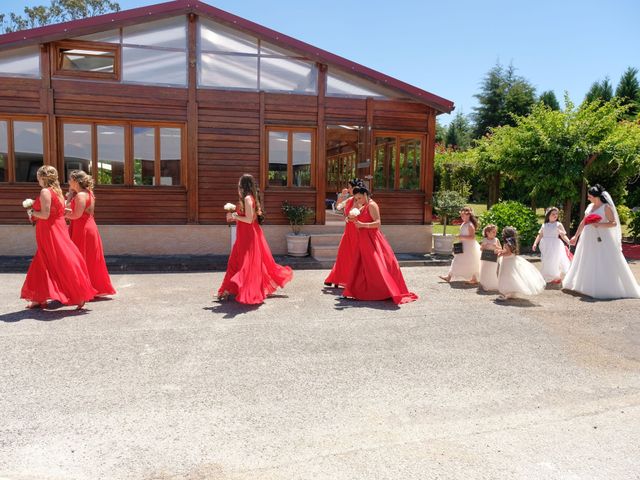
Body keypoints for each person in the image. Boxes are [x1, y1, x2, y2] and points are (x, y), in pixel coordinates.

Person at [20, 165, 96, 309]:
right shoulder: (58, 192)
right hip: (58, 228)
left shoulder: (45, 192)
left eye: (37, 175)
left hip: (49, 231)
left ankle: (78, 294)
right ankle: (38, 298)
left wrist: (31, 211)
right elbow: (59, 212)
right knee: (44, 261)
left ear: (42, 177)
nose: (36, 178)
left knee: (56, 261)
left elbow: (45, 214)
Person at [218, 174, 293, 304]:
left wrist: (235, 216)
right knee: (234, 263)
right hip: (243, 236)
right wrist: (233, 216)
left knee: (245, 265)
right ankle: (226, 290)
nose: (238, 187)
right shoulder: (248, 198)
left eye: (239, 184)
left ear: (243, 185)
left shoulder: (248, 199)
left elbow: (248, 219)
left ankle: (238, 291)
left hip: (248, 238)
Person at [342, 186, 417, 304]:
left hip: (372, 239)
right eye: (356, 199)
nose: (358, 201)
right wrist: (350, 218)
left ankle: (383, 291)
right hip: (363, 239)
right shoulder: (363, 205)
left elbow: (378, 223)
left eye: (360, 198)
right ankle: (354, 290)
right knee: (360, 264)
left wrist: (363, 225)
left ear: (366, 195)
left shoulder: (372, 205)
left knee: (375, 265)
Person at [562, 184, 640, 299]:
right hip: (587, 238)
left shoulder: (606, 207)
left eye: (590, 196)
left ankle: (604, 286)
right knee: (587, 259)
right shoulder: (589, 207)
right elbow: (583, 222)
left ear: (596, 196)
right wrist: (576, 236)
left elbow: (613, 223)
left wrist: (599, 224)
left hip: (602, 237)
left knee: (603, 259)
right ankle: (585, 285)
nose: (588, 198)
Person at [65, 170, 116, 297]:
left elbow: (76, 215)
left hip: (82, 229)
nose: (68, 182)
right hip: (88, 226)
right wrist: (70, 197)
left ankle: (83, 289)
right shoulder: (88, 193)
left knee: (80, 258)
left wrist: (62, 214)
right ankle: (93, 287)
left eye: (70, 180)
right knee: (91, 259)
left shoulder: (81, 195)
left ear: (76, 181)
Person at [324, 178, 363, 288]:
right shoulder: (350, 200)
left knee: (354, 256)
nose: (348, 189)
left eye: (350, 187)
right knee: (343, 255)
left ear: (355, 188)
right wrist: (341, 196)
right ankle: (336, 278)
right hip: (348, 231)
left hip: (357, 231)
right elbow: (337, 208)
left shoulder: (361, 200)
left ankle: (354, 280)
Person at [496, 226, 546, 301]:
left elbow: (508, 252)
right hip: (511, 261)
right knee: (511, 276)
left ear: (506, 234)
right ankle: (511, 292)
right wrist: (501, 250)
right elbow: (511, 251)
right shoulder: (512, 241)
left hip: (507, 262)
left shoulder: (507, 242)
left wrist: (500, 253)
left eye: (503, 233)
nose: (502, 234)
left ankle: (504, 293)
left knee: (504, 276)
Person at [439, 206, 481, 284]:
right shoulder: (464, 223)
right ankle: (449, 276)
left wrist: (461, 237)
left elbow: (472, 237)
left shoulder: (470, 225)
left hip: (469, 246)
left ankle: (474, 278)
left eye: (463, 215)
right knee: (456, 259)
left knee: (471, 261)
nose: (461, 217)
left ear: (468, 215)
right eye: (461, 215)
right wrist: (460, 237)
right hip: (462, 244)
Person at [532, 207, 571, 283]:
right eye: (553, 214)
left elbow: (563, 235)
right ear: (548, 215)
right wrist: (535, 243)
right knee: (546, 260)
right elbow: (540, 235)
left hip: (555, 245)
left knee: (554, 260)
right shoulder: (544, 225)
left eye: (556, 214)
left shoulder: (558, 224)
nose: (555, 215)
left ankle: (555, 276)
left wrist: (568, 241)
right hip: (545, 245)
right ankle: (547, 275)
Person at [479, 224, 501, 291]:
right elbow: (481, 248)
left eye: (495, 232)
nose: (495, 233)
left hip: (493, 258)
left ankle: (492, 284)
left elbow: (500, 248)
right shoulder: (485, 240)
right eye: (493, 232)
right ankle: (484, 284)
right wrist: (484, 246)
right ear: (487, 233)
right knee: (485, 270)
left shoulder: (496, 240)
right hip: (486, 258)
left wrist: (496, 248)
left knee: (492, 271)